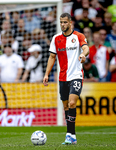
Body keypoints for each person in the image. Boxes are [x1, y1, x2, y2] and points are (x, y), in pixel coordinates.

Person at [43, 13, 89, 145]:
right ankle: (72, 135)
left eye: (65, 22)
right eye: (61, 22)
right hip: (63, 77)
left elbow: (85, 47)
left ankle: (69, 135)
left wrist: (83, 53)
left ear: (70, 23)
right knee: (66, 106)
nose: (62, 24)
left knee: (72, 103)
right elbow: (52, 57)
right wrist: (47, 74)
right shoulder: (56, 38)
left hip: (76, 75)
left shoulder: (78, 36)